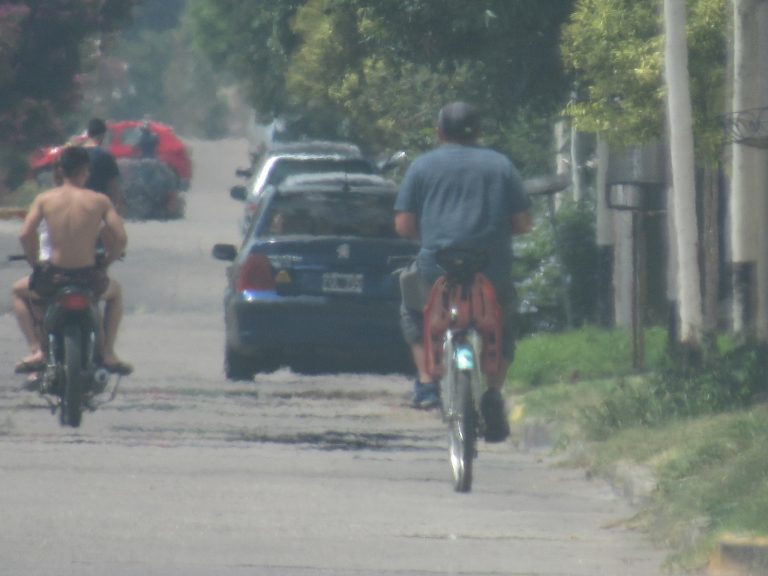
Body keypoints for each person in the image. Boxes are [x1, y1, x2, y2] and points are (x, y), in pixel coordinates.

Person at [394, 101, 532, 442]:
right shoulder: (501, 166)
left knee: (413, 309)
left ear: (440, 132)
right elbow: (523, 223)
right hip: (491, 269)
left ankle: (427, 382)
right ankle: (493, 392)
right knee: (502, 319)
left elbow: (403, 224)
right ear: (480, 132)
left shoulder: (422, 167)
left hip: (436, 268)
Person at [12, 146, 132, 376]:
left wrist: (35, 263)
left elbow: (25, 234)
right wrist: (107, 262)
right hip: (88, 278)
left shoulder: (45, 199)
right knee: (115, 294)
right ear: (85, 171)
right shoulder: (99, 201)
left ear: (60, 170)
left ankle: (36, 350)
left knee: (18, 292)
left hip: (52, 277)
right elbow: (120, 237)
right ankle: (108, 352)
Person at [83, 117, 125, 213]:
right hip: (98, 206)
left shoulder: (74, 154)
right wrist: (118, 205)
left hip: (77, 205)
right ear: (103, 135)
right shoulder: (105, 156)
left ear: (88, 134)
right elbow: (114, 185)